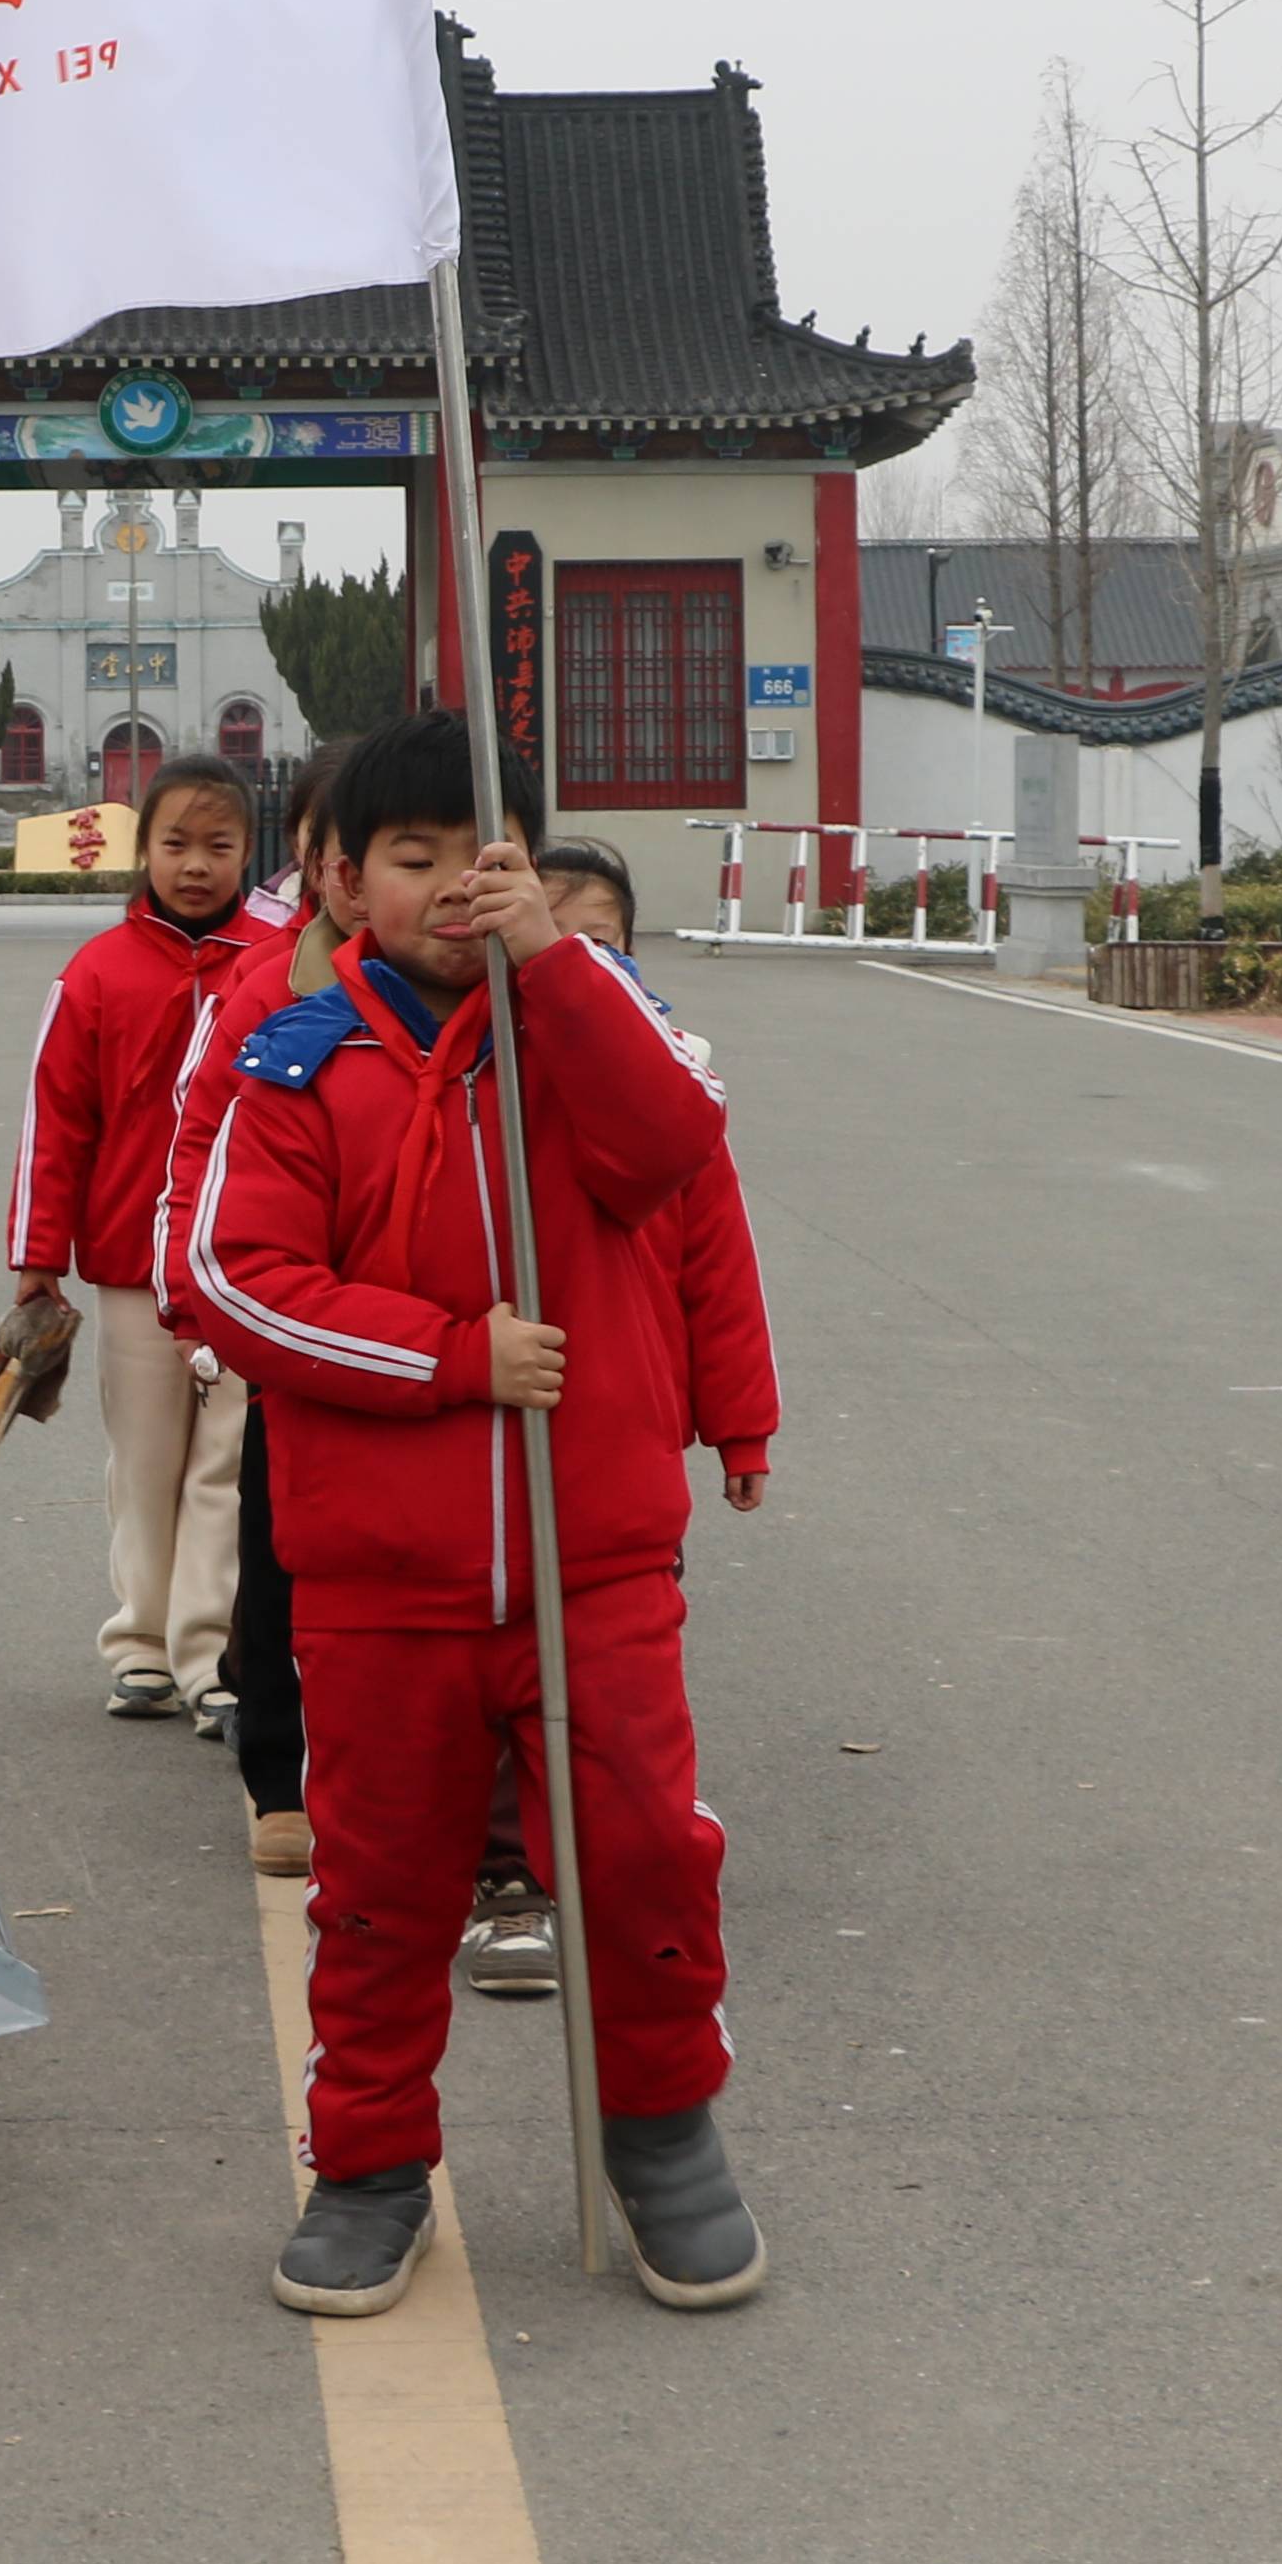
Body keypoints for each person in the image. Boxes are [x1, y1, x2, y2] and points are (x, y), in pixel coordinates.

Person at [185, 711, 774, 2320]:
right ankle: (372, 2168)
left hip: (596, 1559)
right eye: (413, 858)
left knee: (646, 1854)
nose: (451, 886)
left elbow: (678, 1157)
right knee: (383, 1882)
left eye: (479, 854)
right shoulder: (300, 1063)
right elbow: (236, 1284)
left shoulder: (601, 1029)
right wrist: (449, 1359)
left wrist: (561, 974)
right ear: (347, 881)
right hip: (382, 1579)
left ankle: (661, 2136)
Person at [447, 840, 782, 1999]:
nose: (575, 959)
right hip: (485, 1449)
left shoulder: (672, 1088)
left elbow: (719, 1274)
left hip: (621, 1450)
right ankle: (512, 1879)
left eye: (600, 942)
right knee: (503, 1678)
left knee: (616, 1688)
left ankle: (614, 1857)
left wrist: (740, 1426)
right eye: (548, 932)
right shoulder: (470, 1077)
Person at [8, 753, 265, 1724]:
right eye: (175, 843)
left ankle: (210, 1660)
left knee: (226, 1467)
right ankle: (140, 1641)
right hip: (126, 1263)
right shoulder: (97, 973)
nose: (196, 864)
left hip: (242, 1260)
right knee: (146, 1458)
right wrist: (40, 1257)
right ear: (142, 847)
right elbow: (55, 1123)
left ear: (251, 849)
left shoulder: (274, 965)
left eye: (219, 844)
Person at [160, 763, 348, 1874]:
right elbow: (200, 1142)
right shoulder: (269, 992)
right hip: (294, 1337)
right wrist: (196, 1299)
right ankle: (278, 1769)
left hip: (443, 1341)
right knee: (275, 1543)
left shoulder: (504, 987)